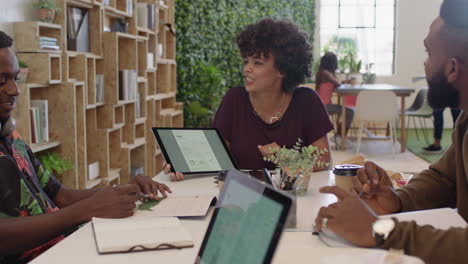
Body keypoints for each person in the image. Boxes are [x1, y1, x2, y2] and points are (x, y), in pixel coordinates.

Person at [315, 0, 468, 263]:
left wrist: (382, 231)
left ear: (453, 68)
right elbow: (445, 178)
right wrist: (397, 200)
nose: (425, 64)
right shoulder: (465, 122)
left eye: (429, 53)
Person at [0, 32, 172, 263]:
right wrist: (83, 211)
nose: (15, 90)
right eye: (2, 80)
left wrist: (124, 190)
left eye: (15, 78)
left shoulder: (13, 141)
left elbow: (61, 195)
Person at [166, 18, 333, 181]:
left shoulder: (306, 101)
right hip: (242, 196)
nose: (247, 69)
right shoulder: (234, 99)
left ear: (282, 70)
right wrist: (183, 162)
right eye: (246, 61)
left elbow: (323, 161)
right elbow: (216, 156)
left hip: (296, 197)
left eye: (257, 63)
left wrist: (284, 157)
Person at [315, 52, 354, 135]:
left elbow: (335, 84)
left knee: (347, 111)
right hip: (324, 107)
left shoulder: (323, 73)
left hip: (322, 105)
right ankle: (340, 136)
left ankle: (339, 135)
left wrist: (344, 81)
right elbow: (338, 84)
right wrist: (343, 82)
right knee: (350, 112)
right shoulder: (326, 73)